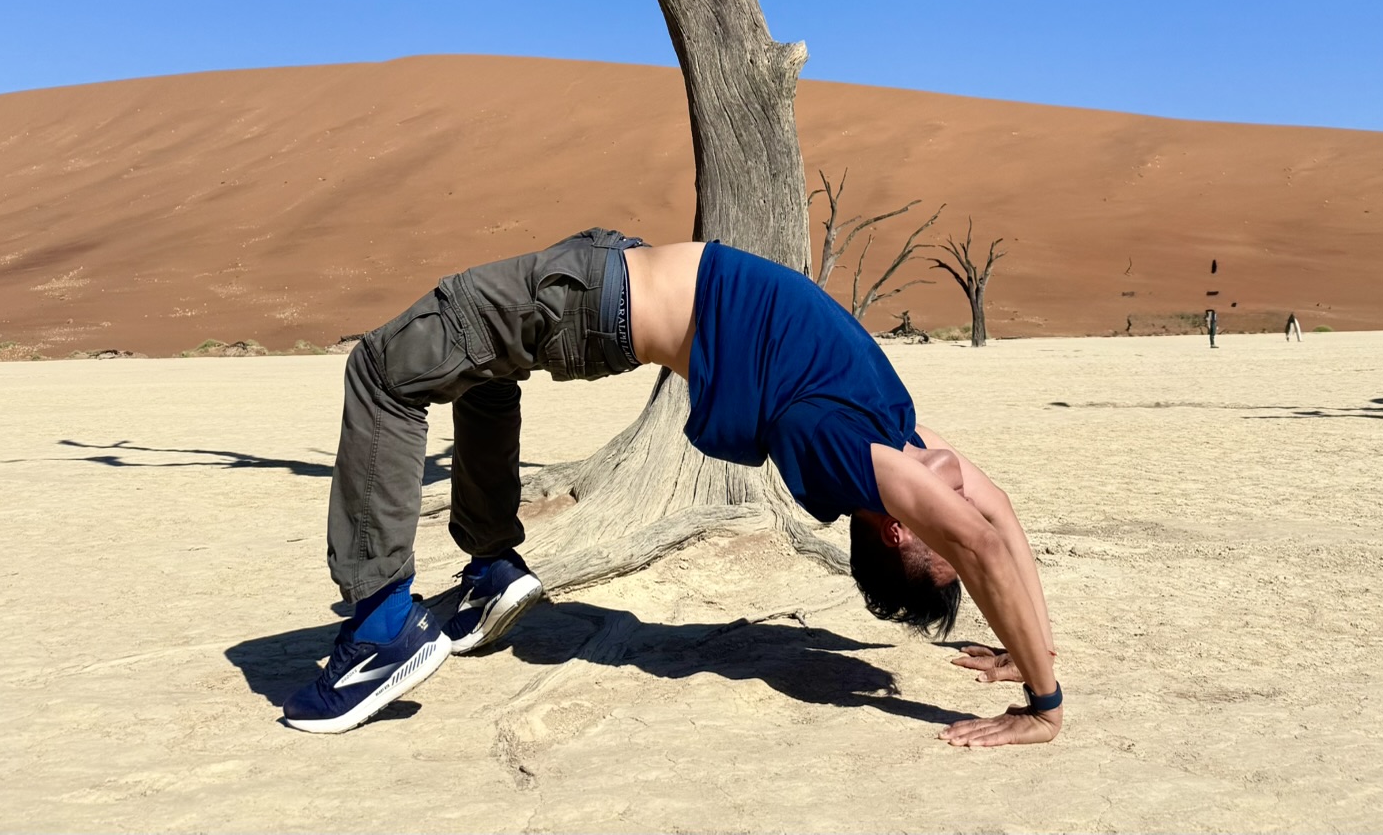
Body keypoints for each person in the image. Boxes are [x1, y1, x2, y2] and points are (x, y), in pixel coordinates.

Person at [283, 229, 1061, 748]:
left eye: (942, 541)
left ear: (896, 528)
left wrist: (1043, 707)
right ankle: (492, 569)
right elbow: (998, 521)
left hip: (589, 298)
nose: (964, 495)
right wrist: (1031, 652)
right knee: (479, 367)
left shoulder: (840, 449)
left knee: (383, 370)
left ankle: (379, 630)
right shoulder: (900, 431)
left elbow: (980, 539)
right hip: (606, 272)